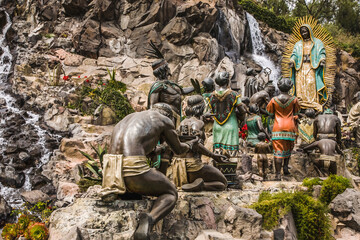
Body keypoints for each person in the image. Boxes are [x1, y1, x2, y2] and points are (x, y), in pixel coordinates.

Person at [102, 103, 195, 240]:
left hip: (111, 173)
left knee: (136, 184)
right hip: (133, 171)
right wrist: (190, 144)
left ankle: (129, 193)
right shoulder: (164, 120)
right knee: (171, 193)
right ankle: (149, 219)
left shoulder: (130, 118)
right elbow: (179, 150)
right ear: (168, 115)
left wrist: (158, 149)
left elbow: (139, 145)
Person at [171, 95, 228, 191]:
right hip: (193, 167)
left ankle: (193, 184)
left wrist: (202, 118)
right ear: (202, 107)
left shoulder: (182, 122)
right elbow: (195, 143)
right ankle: (201, 186)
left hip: (178, 165)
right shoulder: (198, 123)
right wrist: (213, 156)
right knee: (223, 183)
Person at [266, 78, 300, 180]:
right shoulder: (294, 99)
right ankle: (285, 168)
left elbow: (270, 113)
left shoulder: (274, 100)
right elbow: (296, 113)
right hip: (290, 126)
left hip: (278, 127)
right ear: (290, 87)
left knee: (278, 151)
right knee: (288, 147)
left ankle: (277, 174)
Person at [289, 24, 327, 112]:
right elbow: (294, 54)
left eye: (305, 31)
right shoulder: (298, 44)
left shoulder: (317, 42)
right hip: (300, 67)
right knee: (300, 85)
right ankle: (300, 103)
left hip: (311, 66)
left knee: (310, 83)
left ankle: (312, 103)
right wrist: (292, 61)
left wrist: (322, 59)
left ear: (309, 31)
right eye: (302, 32)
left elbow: (322, 52)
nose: (303, 33)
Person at [208, 72, 244, 158]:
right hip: (230, 125)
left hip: (217, 127)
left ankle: (219, 170)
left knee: (218, 154)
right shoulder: (233, 94)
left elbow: (209, 111)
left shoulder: (211, 96)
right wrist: (242, 117)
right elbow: (242, 110)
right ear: (227, 81)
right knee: (231, 156)